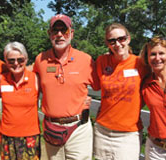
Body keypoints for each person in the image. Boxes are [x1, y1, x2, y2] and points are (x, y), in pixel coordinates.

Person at [33, 14, 100, 160]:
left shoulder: (85, 60)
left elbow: (101, 85)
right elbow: (28, 81)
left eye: (64, 30)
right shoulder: (40, 59)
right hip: (51, 128)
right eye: (55, 31)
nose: (59, 35)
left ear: (72, 33)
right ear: (49, 34)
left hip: (78, 128)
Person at [94, 23, 149, 160]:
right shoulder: (102, 61)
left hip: (128, 134)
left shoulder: (141, 64)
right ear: (107, 43)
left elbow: (161, 76)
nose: (117, 44)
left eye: (121, 39)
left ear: (128, 39)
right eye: (112, 41)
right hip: (102, 131)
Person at [0, 42, 41, 160]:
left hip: (30, 137)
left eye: (20, 59)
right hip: (7, 137)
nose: (16, 63)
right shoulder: (1, 79)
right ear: (6, 61)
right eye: (11, 60)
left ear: (26, 59)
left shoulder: (35, 78)